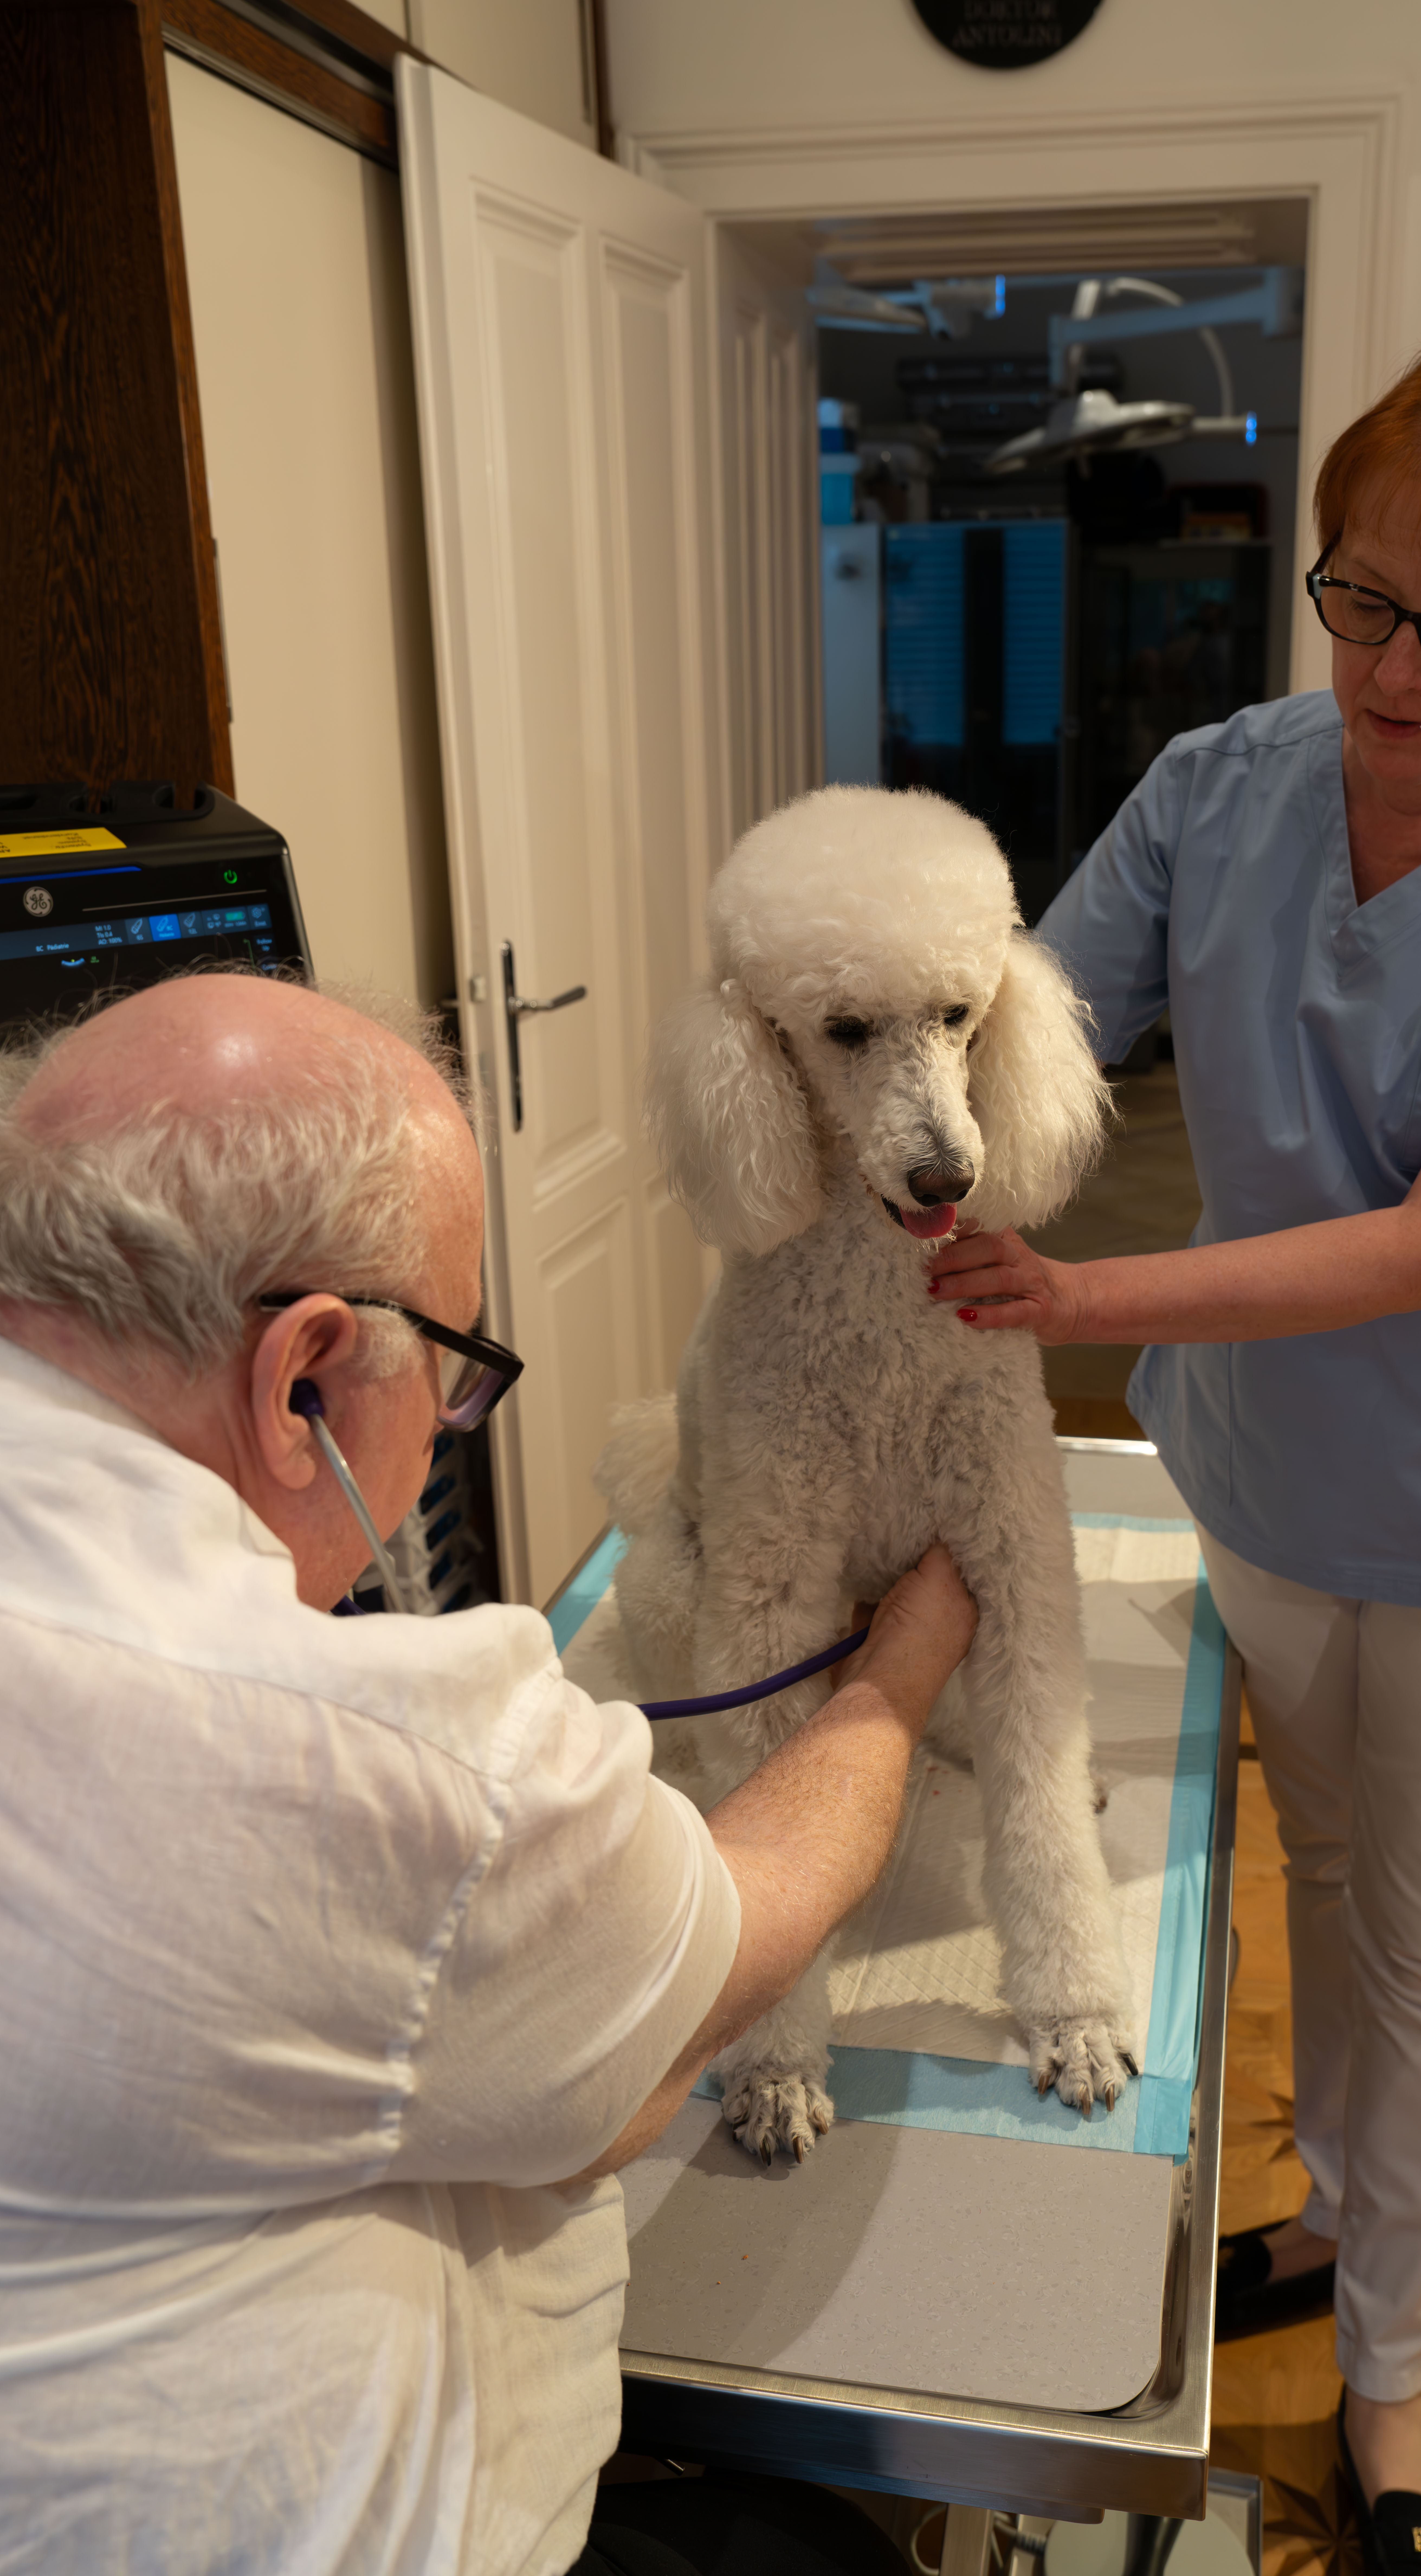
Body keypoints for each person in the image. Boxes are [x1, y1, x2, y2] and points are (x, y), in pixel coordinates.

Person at [928, 341, 1421, 2575]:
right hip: (1266, 1469)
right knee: (1322, 1888)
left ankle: (1394, 2407)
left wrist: (1076, 1307)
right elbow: (1035, 1028)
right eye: (1357, 599)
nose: (1393, 665)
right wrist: (894, 1111)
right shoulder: (1221, 782)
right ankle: (1339, 2223)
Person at [0, 970, 976, 2575]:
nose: (452, 1428)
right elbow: (721, 1944)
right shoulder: (384, 1765)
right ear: (306, 1372)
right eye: (451, 1367)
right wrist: (901, 1669)